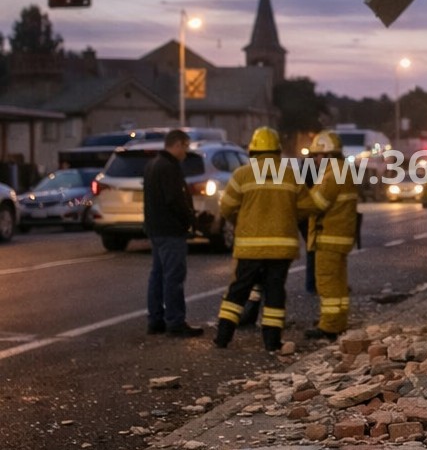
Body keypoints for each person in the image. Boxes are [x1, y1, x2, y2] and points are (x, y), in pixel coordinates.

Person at [214, 126, 304, 352]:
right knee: (275, 292)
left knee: (238, 291)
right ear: (277, 150)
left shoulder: (242, 175)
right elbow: (305, 207)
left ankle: (223, 337)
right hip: (281, 248)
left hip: (249, 248)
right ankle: (272, 343)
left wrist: (241, 222)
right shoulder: (291, 175)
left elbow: (226, 208)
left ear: (253, 151)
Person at [142, 129, 203, 337]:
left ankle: (156, 319)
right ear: (177, 144)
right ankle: (175, 322)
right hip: (170, 230)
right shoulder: (169, 167)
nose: (186, 152)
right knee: (173, 277)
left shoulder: (153, 165)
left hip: (155, 228)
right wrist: (188, 219)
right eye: (185, 147)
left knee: (157, 275)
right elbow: (175, 199)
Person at [298, 131, 359, 340]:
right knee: (339, 283)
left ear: (327, 155)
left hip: (329, 237)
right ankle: (338, 320)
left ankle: (329, 326)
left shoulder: (333, 175)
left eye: (317, 156)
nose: (315, 160)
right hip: (339, 236)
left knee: (327, 282)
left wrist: (297, 199)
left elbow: (317, 204)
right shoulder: (343, 171)